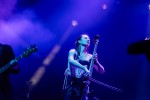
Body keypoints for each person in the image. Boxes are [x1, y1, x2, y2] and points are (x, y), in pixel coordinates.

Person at [62, 34, 105, 100]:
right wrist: (84, 68)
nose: (88, 39)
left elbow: (101, 71)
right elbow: (71, 61)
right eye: (85, 38)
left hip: (83, 85)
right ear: (79, 41)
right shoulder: (73, 51)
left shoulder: (90, 56)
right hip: (71, 83)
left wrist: (96, 61)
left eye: (89, 39)